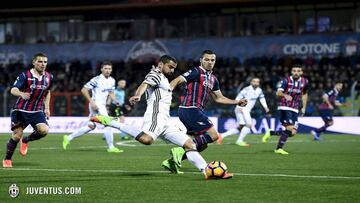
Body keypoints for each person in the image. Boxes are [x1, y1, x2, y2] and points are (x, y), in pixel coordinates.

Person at [90, 55, 230, 179]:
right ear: (161, 64)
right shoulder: (156, 74)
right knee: (147, 139)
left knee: (190, 144)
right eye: (170, 67)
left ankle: (206, 170)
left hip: (165, 120)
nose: (172, 70)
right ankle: (113, 122)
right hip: (155, 115)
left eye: (174, 68)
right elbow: (145, 84)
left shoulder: (162, 77)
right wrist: (138, 95)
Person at [162, 50, 247, 173]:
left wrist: (237, 102)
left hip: (193, 111)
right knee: (214, 135)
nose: (210, 62)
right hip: (190, 109)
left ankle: (171, 162)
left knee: (202, 145)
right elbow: (178, 80)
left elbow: (219, 98)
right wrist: (167, 91)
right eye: (207, 59)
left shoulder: (213, 79)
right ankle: (179, 151)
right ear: (201, 60)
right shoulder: (196, 72)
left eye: (212, 60)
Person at [3, 53, 53, 168]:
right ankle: (7, 159)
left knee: (44, 131)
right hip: (21, 110)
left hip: (37, 111)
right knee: (16, 136)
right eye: (40, 61)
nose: (43, 64)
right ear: (34, 62)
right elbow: (13, 90)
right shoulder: (25, 75)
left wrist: (47, 108)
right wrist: (21, 93)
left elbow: (48, 92)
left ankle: (26, 140)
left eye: (45, 62)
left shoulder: (49, 77)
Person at [62, 61, 123, 153]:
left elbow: (111, 92)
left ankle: (69, 137)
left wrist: (115, 100)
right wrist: (92, 102)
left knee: (91, 126)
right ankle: (111, 147)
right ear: (101, 69)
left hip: (100, 105)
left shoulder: (112, 80)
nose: (107, 70)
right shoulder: (96, 79)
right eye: (105, 68)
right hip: (96, 104)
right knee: (108, 124)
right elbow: (84, 90)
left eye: (109, 69)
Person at [262, 64, 309, 155]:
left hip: (295, 108)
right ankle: (278, 149)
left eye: (298, 71)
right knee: (290, 128)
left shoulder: (305, 82)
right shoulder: (286, 80)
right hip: (284, 106)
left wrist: (304, 107)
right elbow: (278, 92)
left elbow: (305, 94)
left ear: (301, 72)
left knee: (293, 132)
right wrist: (284, 95)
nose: (296, 73)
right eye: (294, 71)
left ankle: (271, 132)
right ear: (291, 72)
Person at [219, 77, 270, 146]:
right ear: (251, 82)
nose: (256, 83)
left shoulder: (259, 90)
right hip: (242, 108)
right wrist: (239, 105)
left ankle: (221, 136)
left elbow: (262, 99)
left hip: (245, 110)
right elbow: (238, 97)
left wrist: (266, 107)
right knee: (249, 125)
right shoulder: (246, 89)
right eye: (254, 81)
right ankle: (239, 141)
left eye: (257, 82)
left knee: (241, 127)